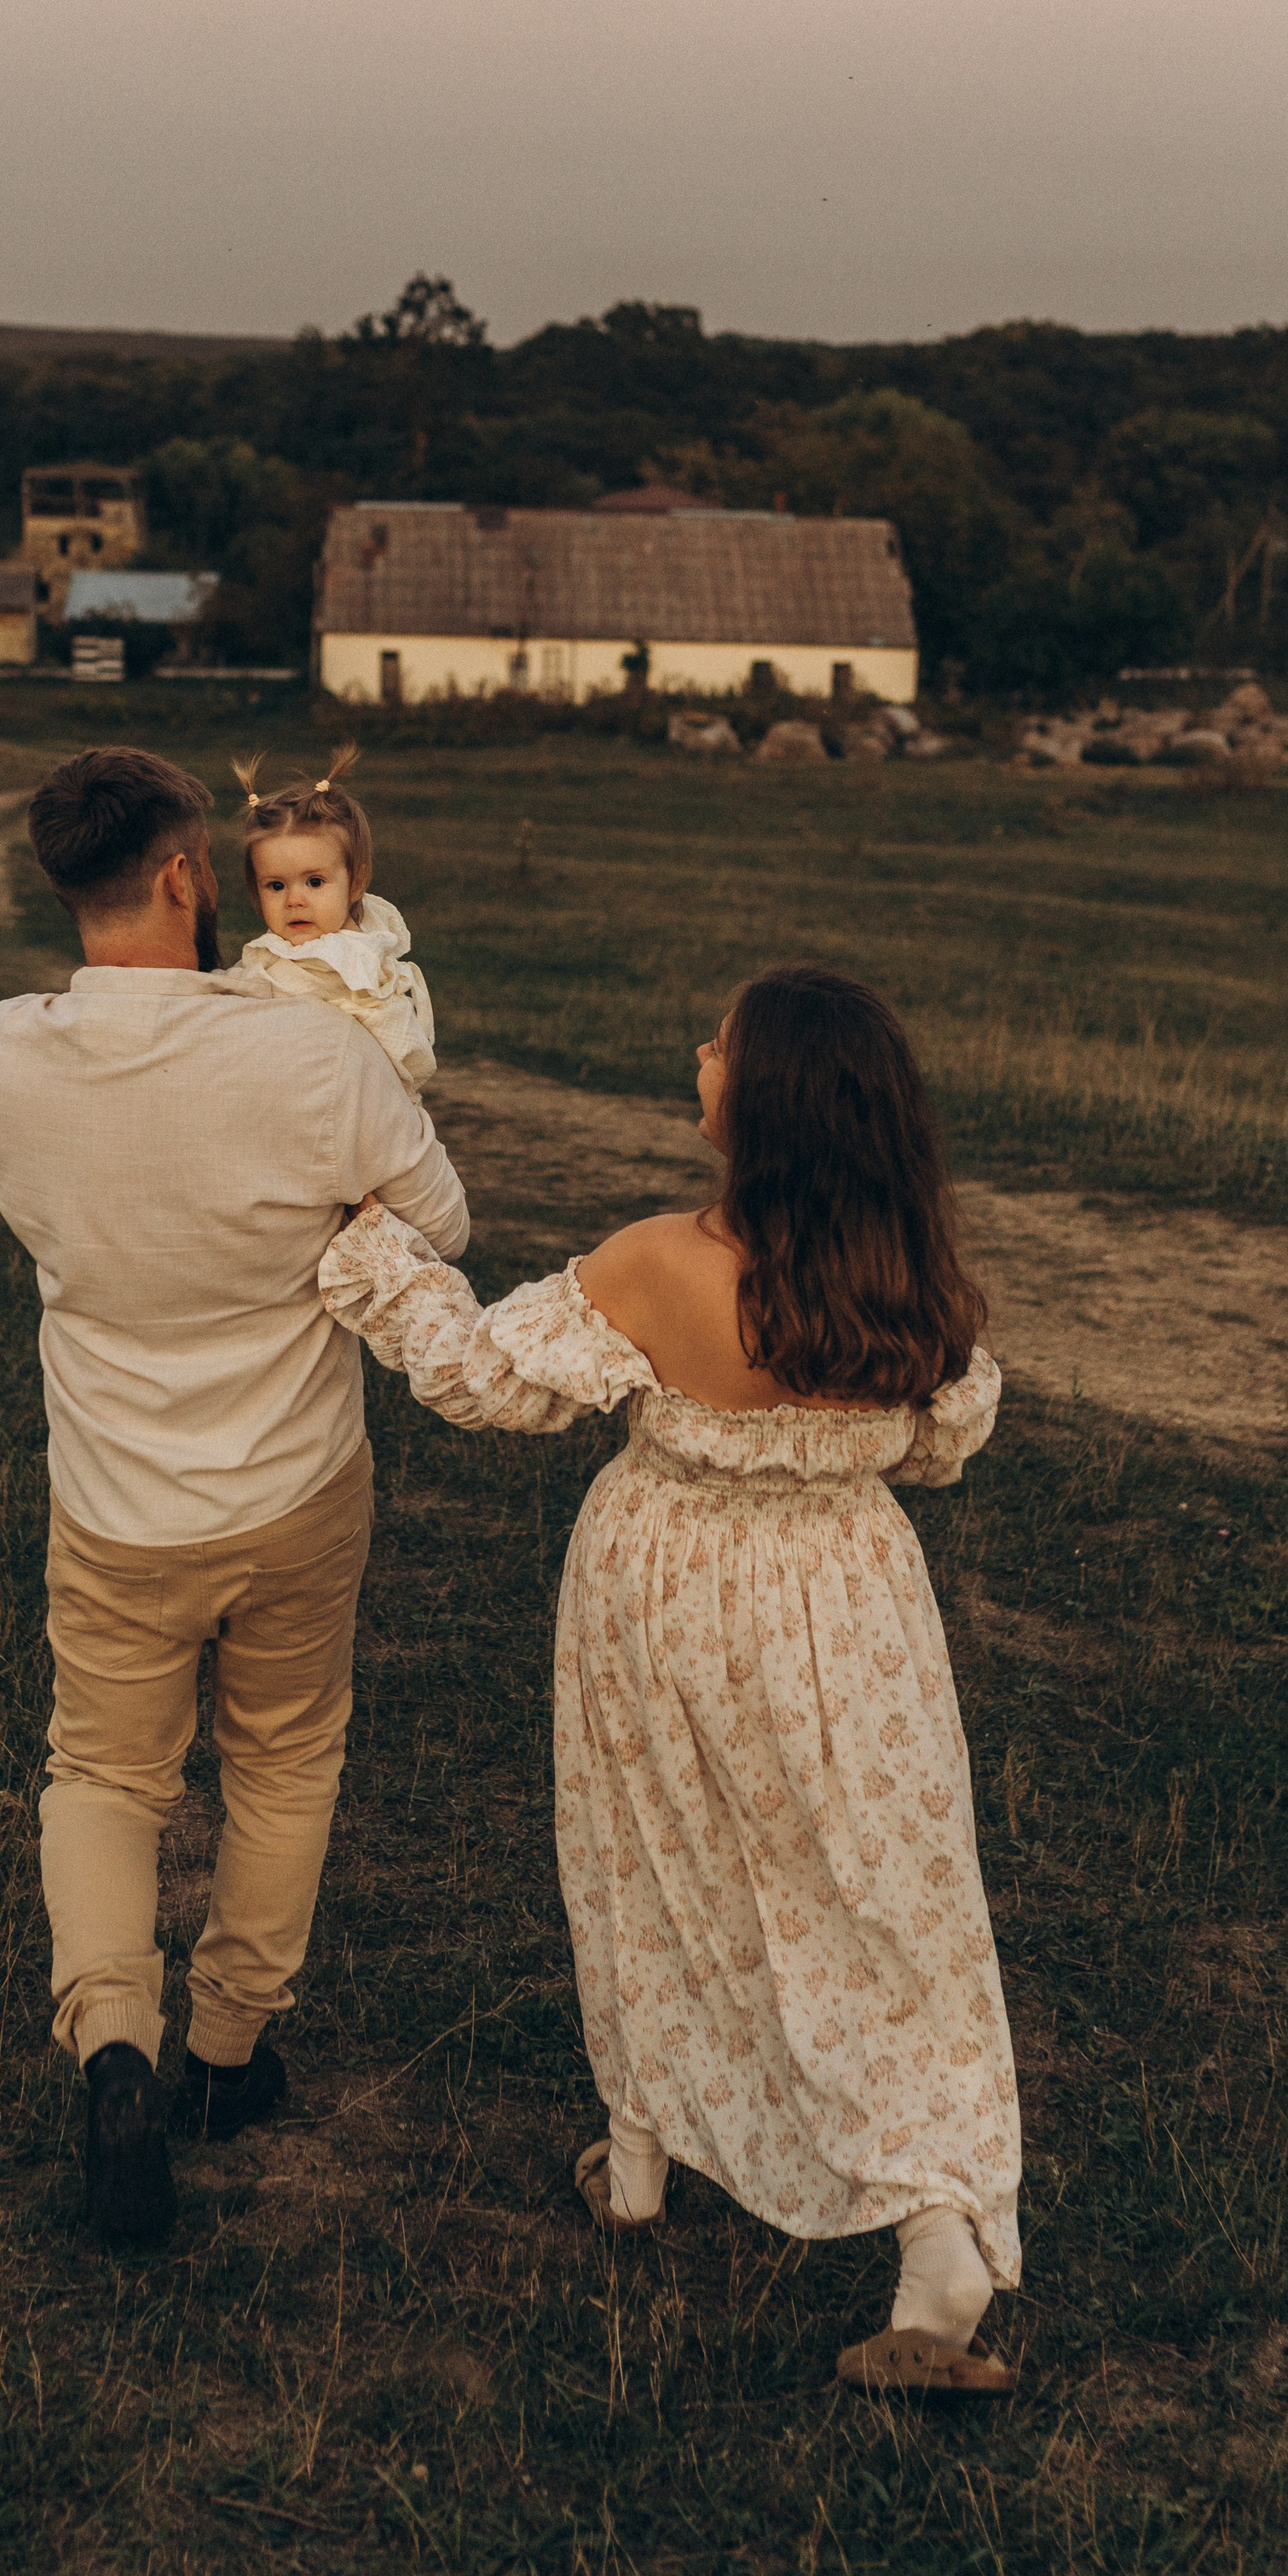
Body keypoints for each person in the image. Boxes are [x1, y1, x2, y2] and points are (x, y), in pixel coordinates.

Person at [320, 964, 1020, 2394]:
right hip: (853, 1607)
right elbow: (945, 1436)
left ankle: (638, 2157)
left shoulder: (658, 1261)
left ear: (760, 1105)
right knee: (888, 1898)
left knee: (655, 1862)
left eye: (721, 1043)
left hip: (667, 1592)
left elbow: (481, 1380)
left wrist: (378, 1254)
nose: (698, 1052)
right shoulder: (914, 1270)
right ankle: (938, 2227)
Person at [0, 746, 469, 2251]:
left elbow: (24, 1201)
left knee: (106, 1775)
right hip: (296, 1485)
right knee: (284, 1759)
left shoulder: (8, 1046)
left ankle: (110, 2033)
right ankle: (228, 2055)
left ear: (69, 882)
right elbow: (440, 1222)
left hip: (115, 1497)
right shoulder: (312, 1059)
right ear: (191, 876)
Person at [231, 741, 436, 1093]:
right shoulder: (275, 956)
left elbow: (401, 1048)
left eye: (314, 882)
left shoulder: (354, 958)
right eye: (276, 886)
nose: (295, 900)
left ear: (356, 882)